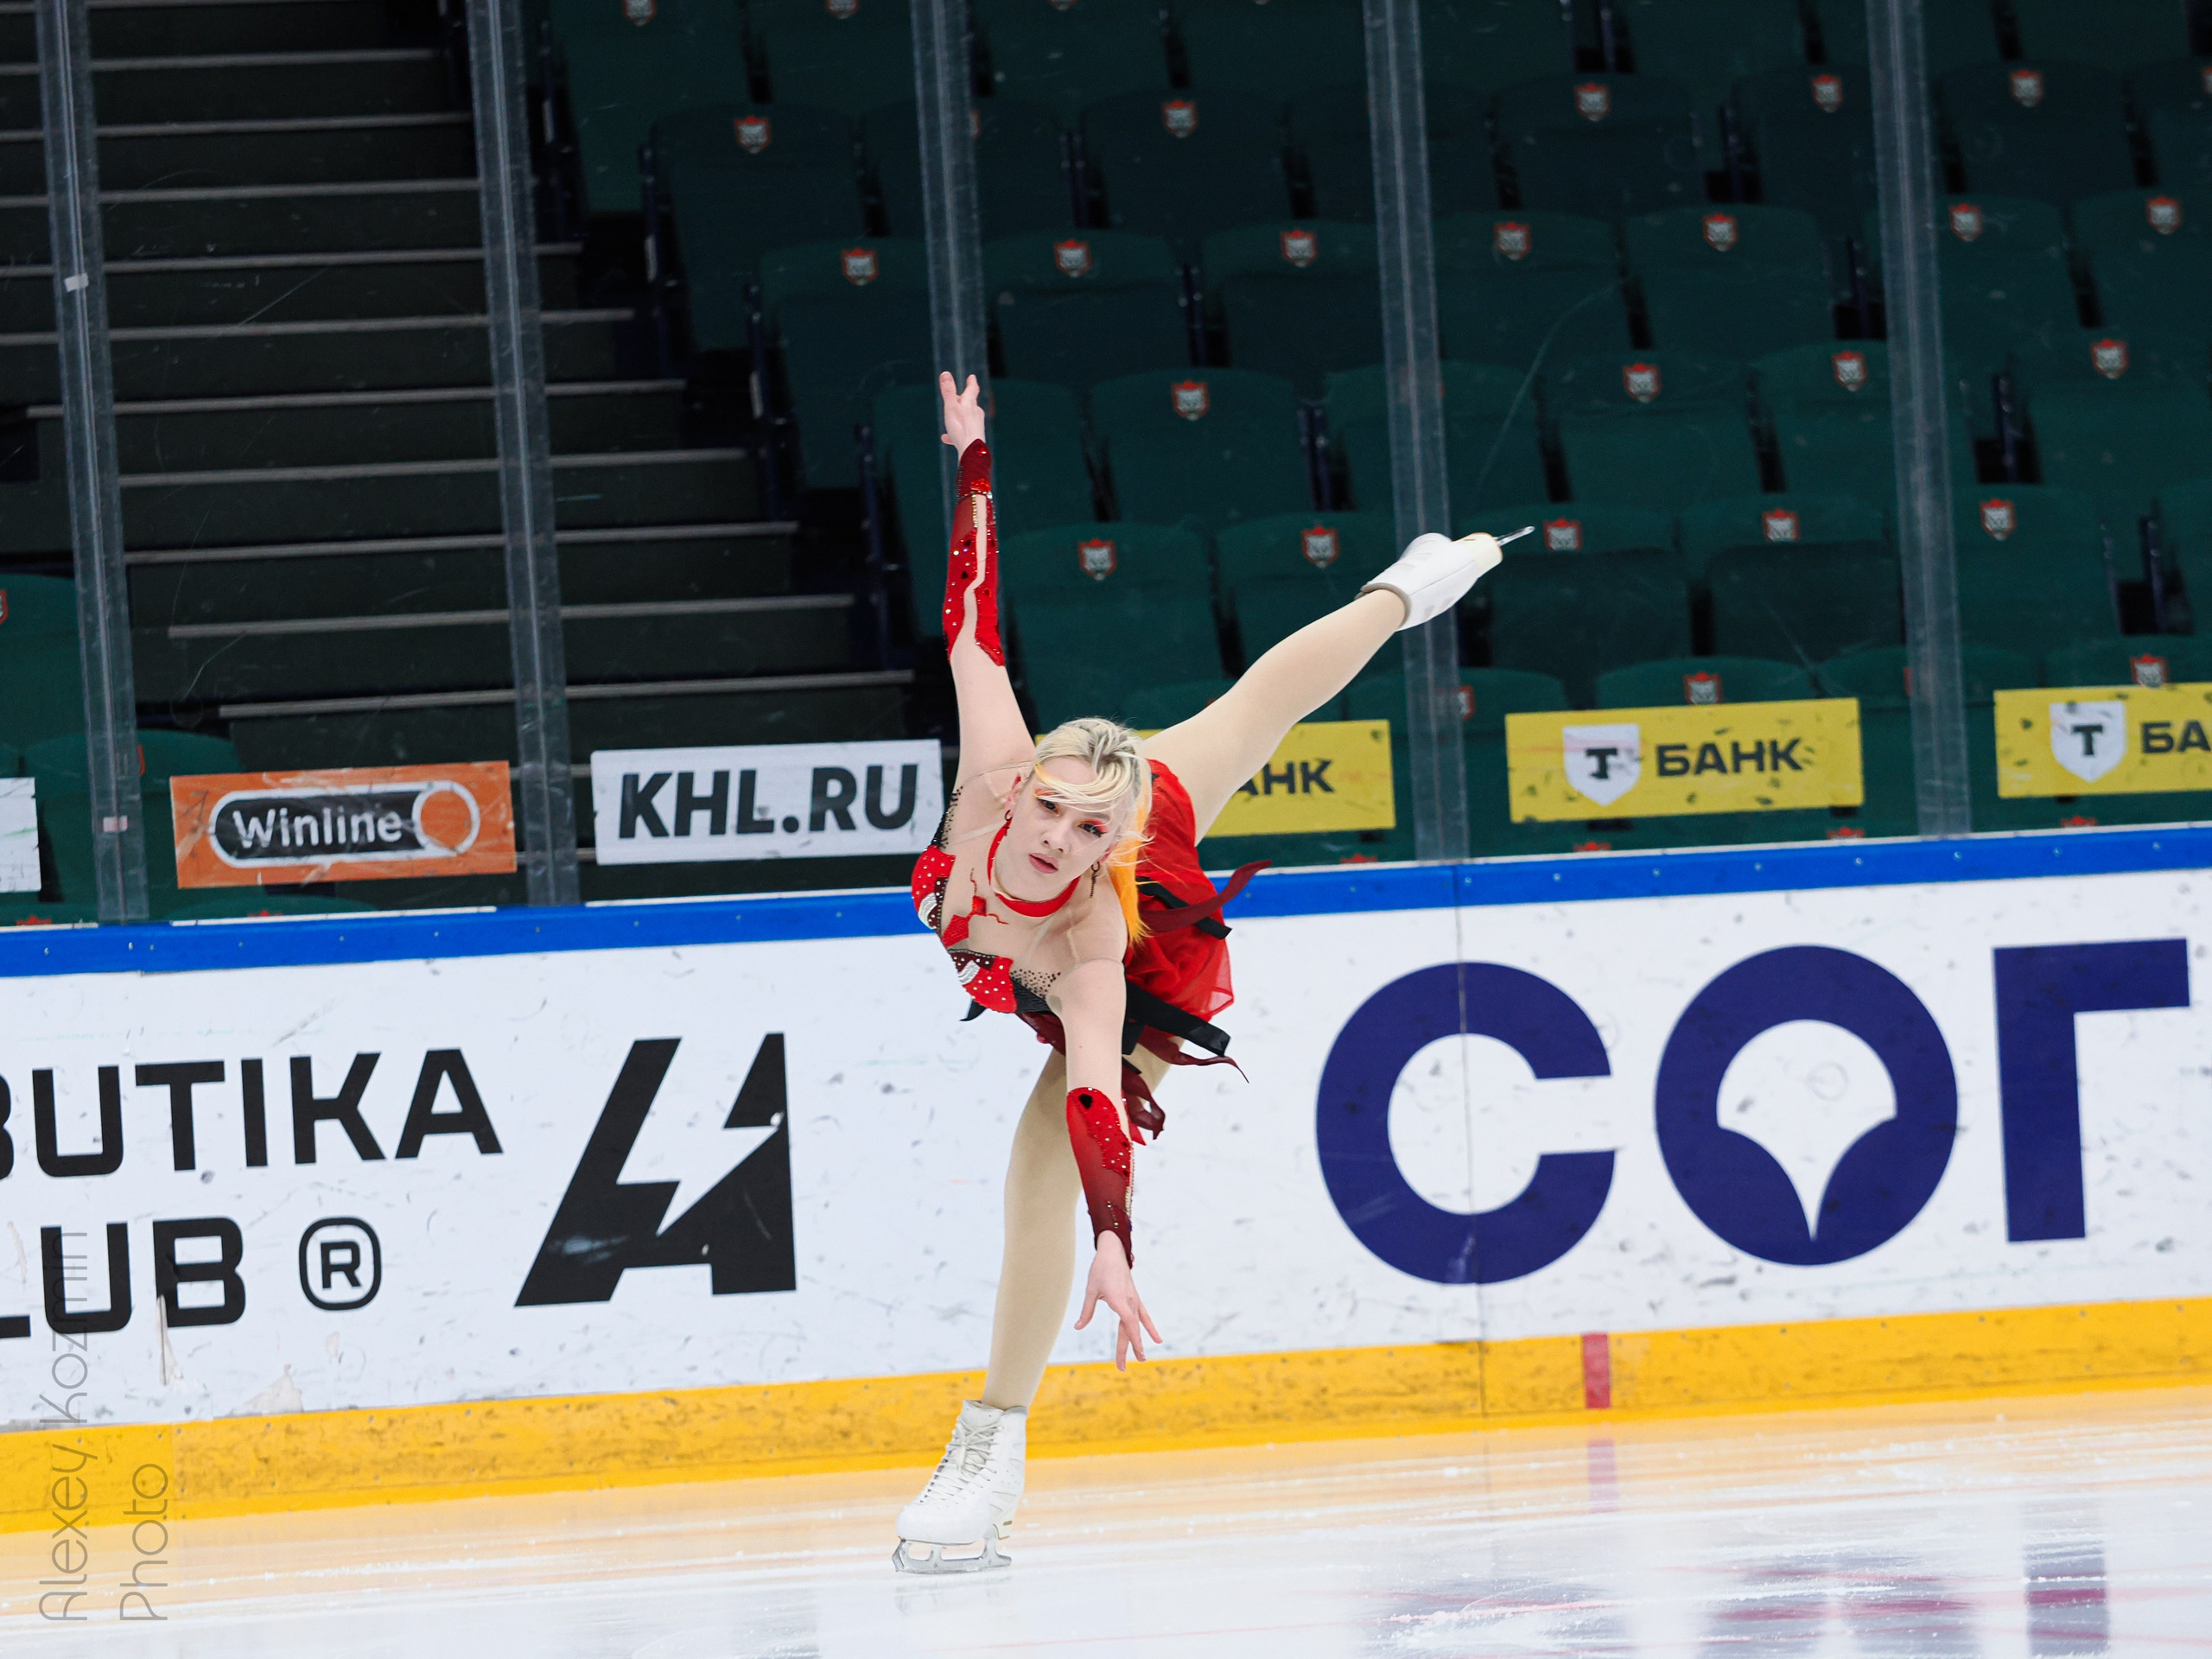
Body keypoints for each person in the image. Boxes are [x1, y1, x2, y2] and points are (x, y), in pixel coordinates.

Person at [893, 371, 1502, 1573]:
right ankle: (1409, 585)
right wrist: (973, 467)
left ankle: (989, 1450)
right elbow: (972, 615)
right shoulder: (993, 782)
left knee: (1036, 1166)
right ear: (1025, 788)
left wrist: (1116, 1238)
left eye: (1086, 829)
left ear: (1111, 838)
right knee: (1256, 704)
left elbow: (1092, 1097)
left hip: (1147, 941)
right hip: (1123, 814)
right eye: (1052, 811)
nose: (1057, 838)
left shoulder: (1092, 946)